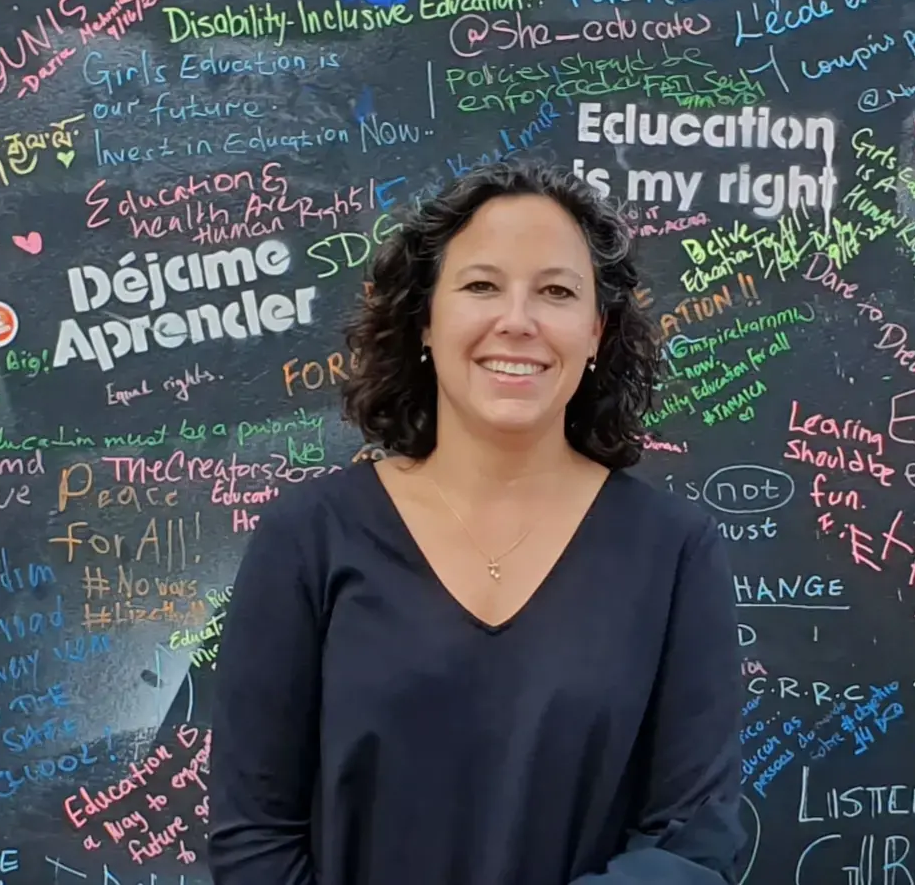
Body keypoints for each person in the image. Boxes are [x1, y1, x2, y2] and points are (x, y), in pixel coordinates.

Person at [207, 159, 746, 885]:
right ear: (425, 320)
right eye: (481, 285)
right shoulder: (308, 536)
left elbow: (692, 840)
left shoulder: (676, 553)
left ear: (595, 333)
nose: (517, 321)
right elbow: (255, 838)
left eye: (555, 291)